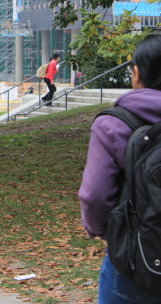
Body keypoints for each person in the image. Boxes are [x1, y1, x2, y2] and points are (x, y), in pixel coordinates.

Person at [79, 34, 161, 303]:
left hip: (134, 259)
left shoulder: (114, 124)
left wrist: (105, 233)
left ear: (136, 73)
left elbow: (94, 196)